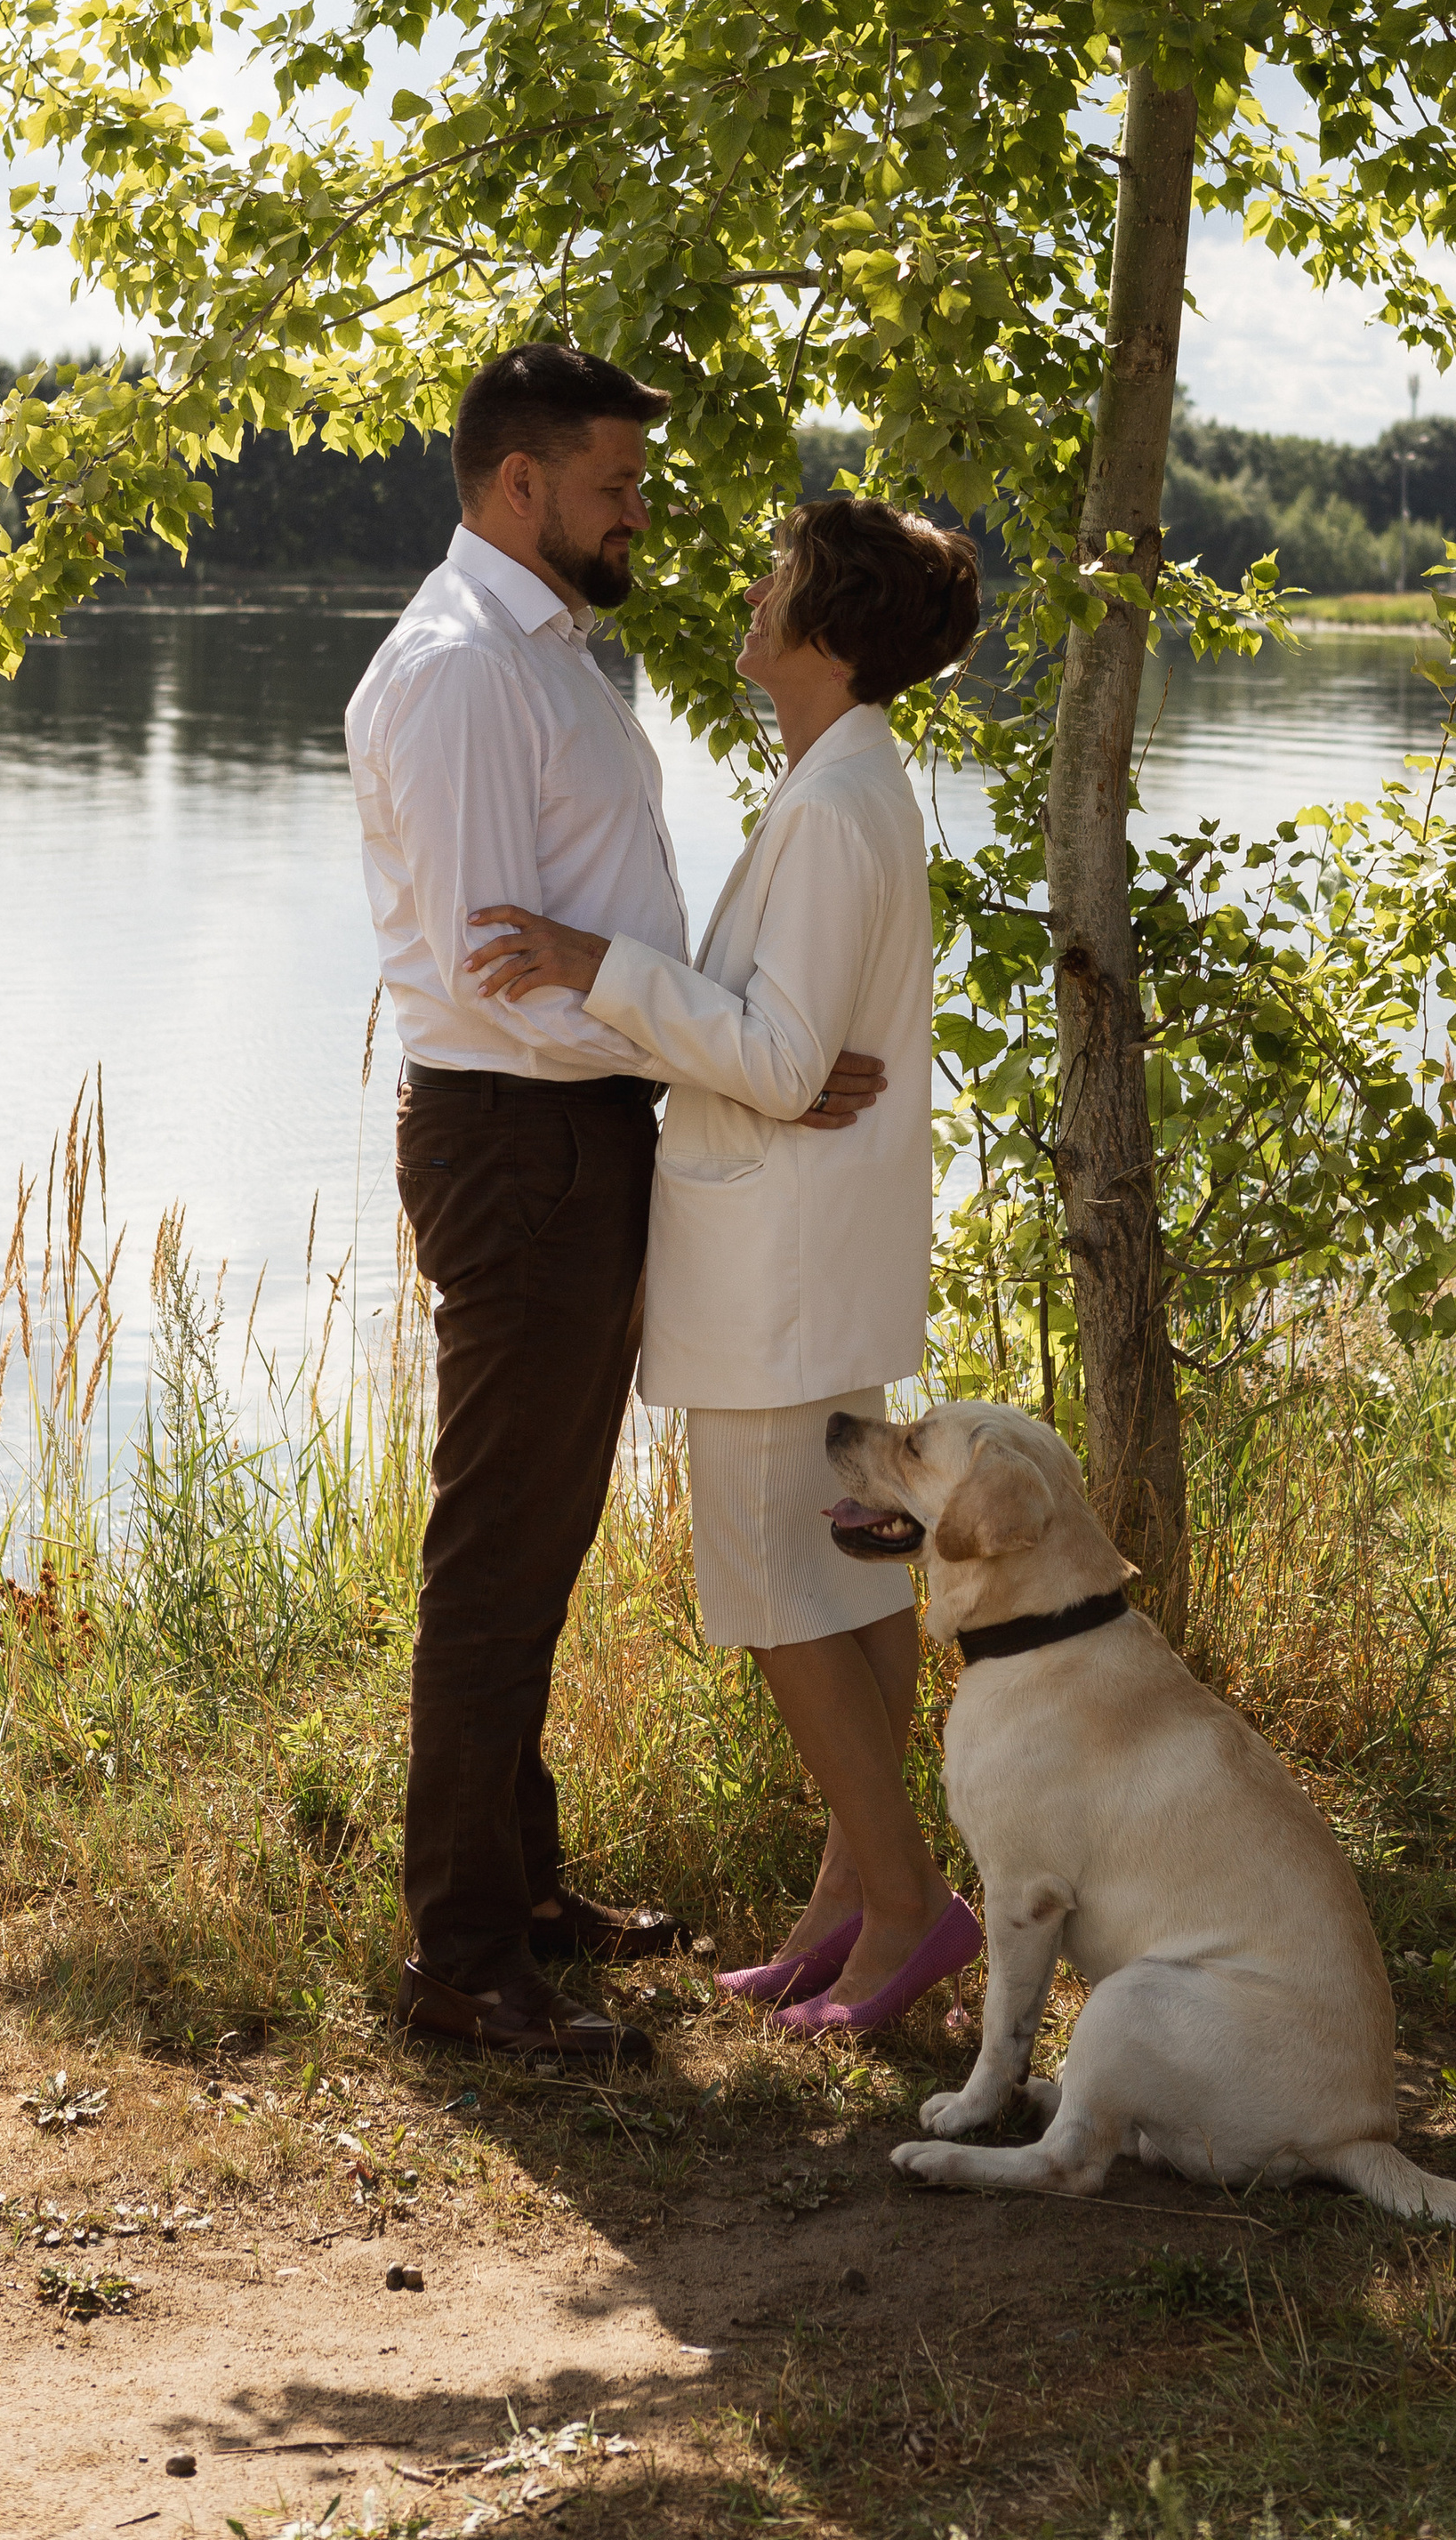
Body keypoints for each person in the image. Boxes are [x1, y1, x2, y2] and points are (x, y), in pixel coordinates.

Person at [344, 345, 888, 2067]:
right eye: (613, 484)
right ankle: (461, 1961)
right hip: (519, 1141)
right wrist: (739, 1061)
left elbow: (585, 946)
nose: (641, 508)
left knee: (544, 1532)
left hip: (588, 1140)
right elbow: (494, 972)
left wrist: (726, 1054)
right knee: (498, 1546)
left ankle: (521, 1889)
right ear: (518, 487)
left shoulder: (560, 655)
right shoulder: (453, 676)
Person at [464, 495, 985, 2037]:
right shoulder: (847, 783)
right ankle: (851, 1900)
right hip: (814, 1256)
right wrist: (761, 1048)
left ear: (827, 626)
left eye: (779, 580)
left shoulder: (834, 810)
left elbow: (776, 1052)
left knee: (782, 1598)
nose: (751, 599)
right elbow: (791, 1046)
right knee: (848, 1578)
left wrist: (594, 968)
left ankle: (907, 1912)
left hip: (780, 1279)